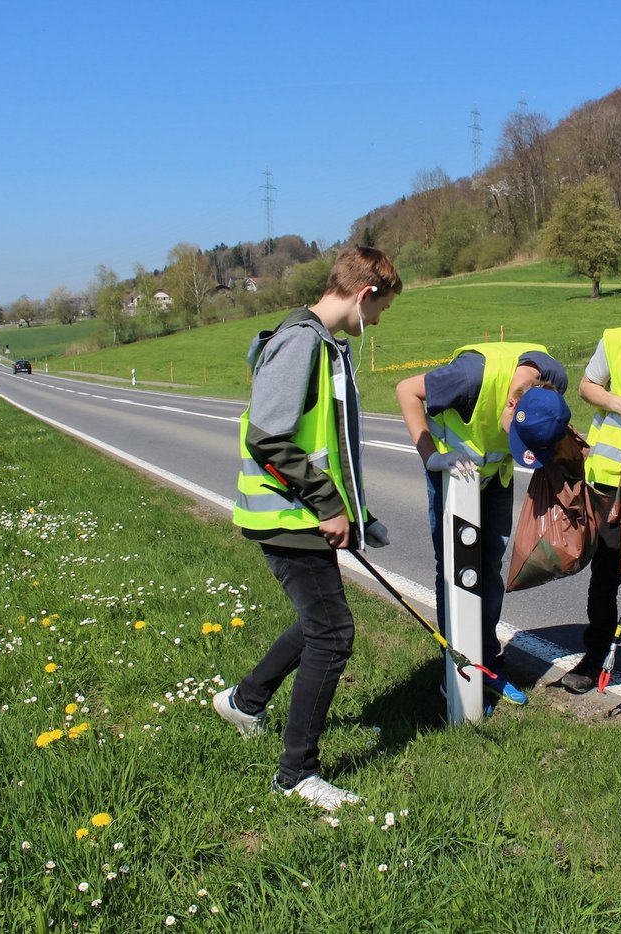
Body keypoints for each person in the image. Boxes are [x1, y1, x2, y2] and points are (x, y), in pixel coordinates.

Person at [213, 246, 401, 812]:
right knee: (333, 633)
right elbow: (267, 438)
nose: (378, 321)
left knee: (318, 623)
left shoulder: (323, 344)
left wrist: (358, 514)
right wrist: (326, 503)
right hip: (288, 515)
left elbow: (328, 446)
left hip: (300, 514)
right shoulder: (301, 342)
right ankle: (296, 774)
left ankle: (245, 702)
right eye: (382, 309)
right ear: (365, 294)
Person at [396, 342, 571, 703]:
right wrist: (430, 457)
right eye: (517, 435)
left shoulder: (554, 381)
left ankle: (487, 663)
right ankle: (457, 669)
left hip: (495, 476)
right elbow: (406, 390)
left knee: (488, 568)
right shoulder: (469, 377)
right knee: (455, 568)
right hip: (451, 471)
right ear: (511, 404)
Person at [557, 315, 621, 693]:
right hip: (613, 479)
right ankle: (596, 653)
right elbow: (587, 386)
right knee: (606, 574)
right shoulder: (617, 340)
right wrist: (618, 402)